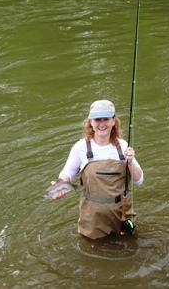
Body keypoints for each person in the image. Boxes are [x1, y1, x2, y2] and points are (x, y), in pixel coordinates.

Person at [54, 100, 144, 240]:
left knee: (130, 245)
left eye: (106, 119)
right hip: (92, 216)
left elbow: (139, 181)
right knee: (92, 249)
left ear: (113, 121)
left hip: (122, 211)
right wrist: (60, 186)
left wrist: (130, 162)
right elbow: (67, 174)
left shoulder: (123, 146)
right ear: (90, 122)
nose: (102, 124)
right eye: (97, 119)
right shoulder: (80, 147)